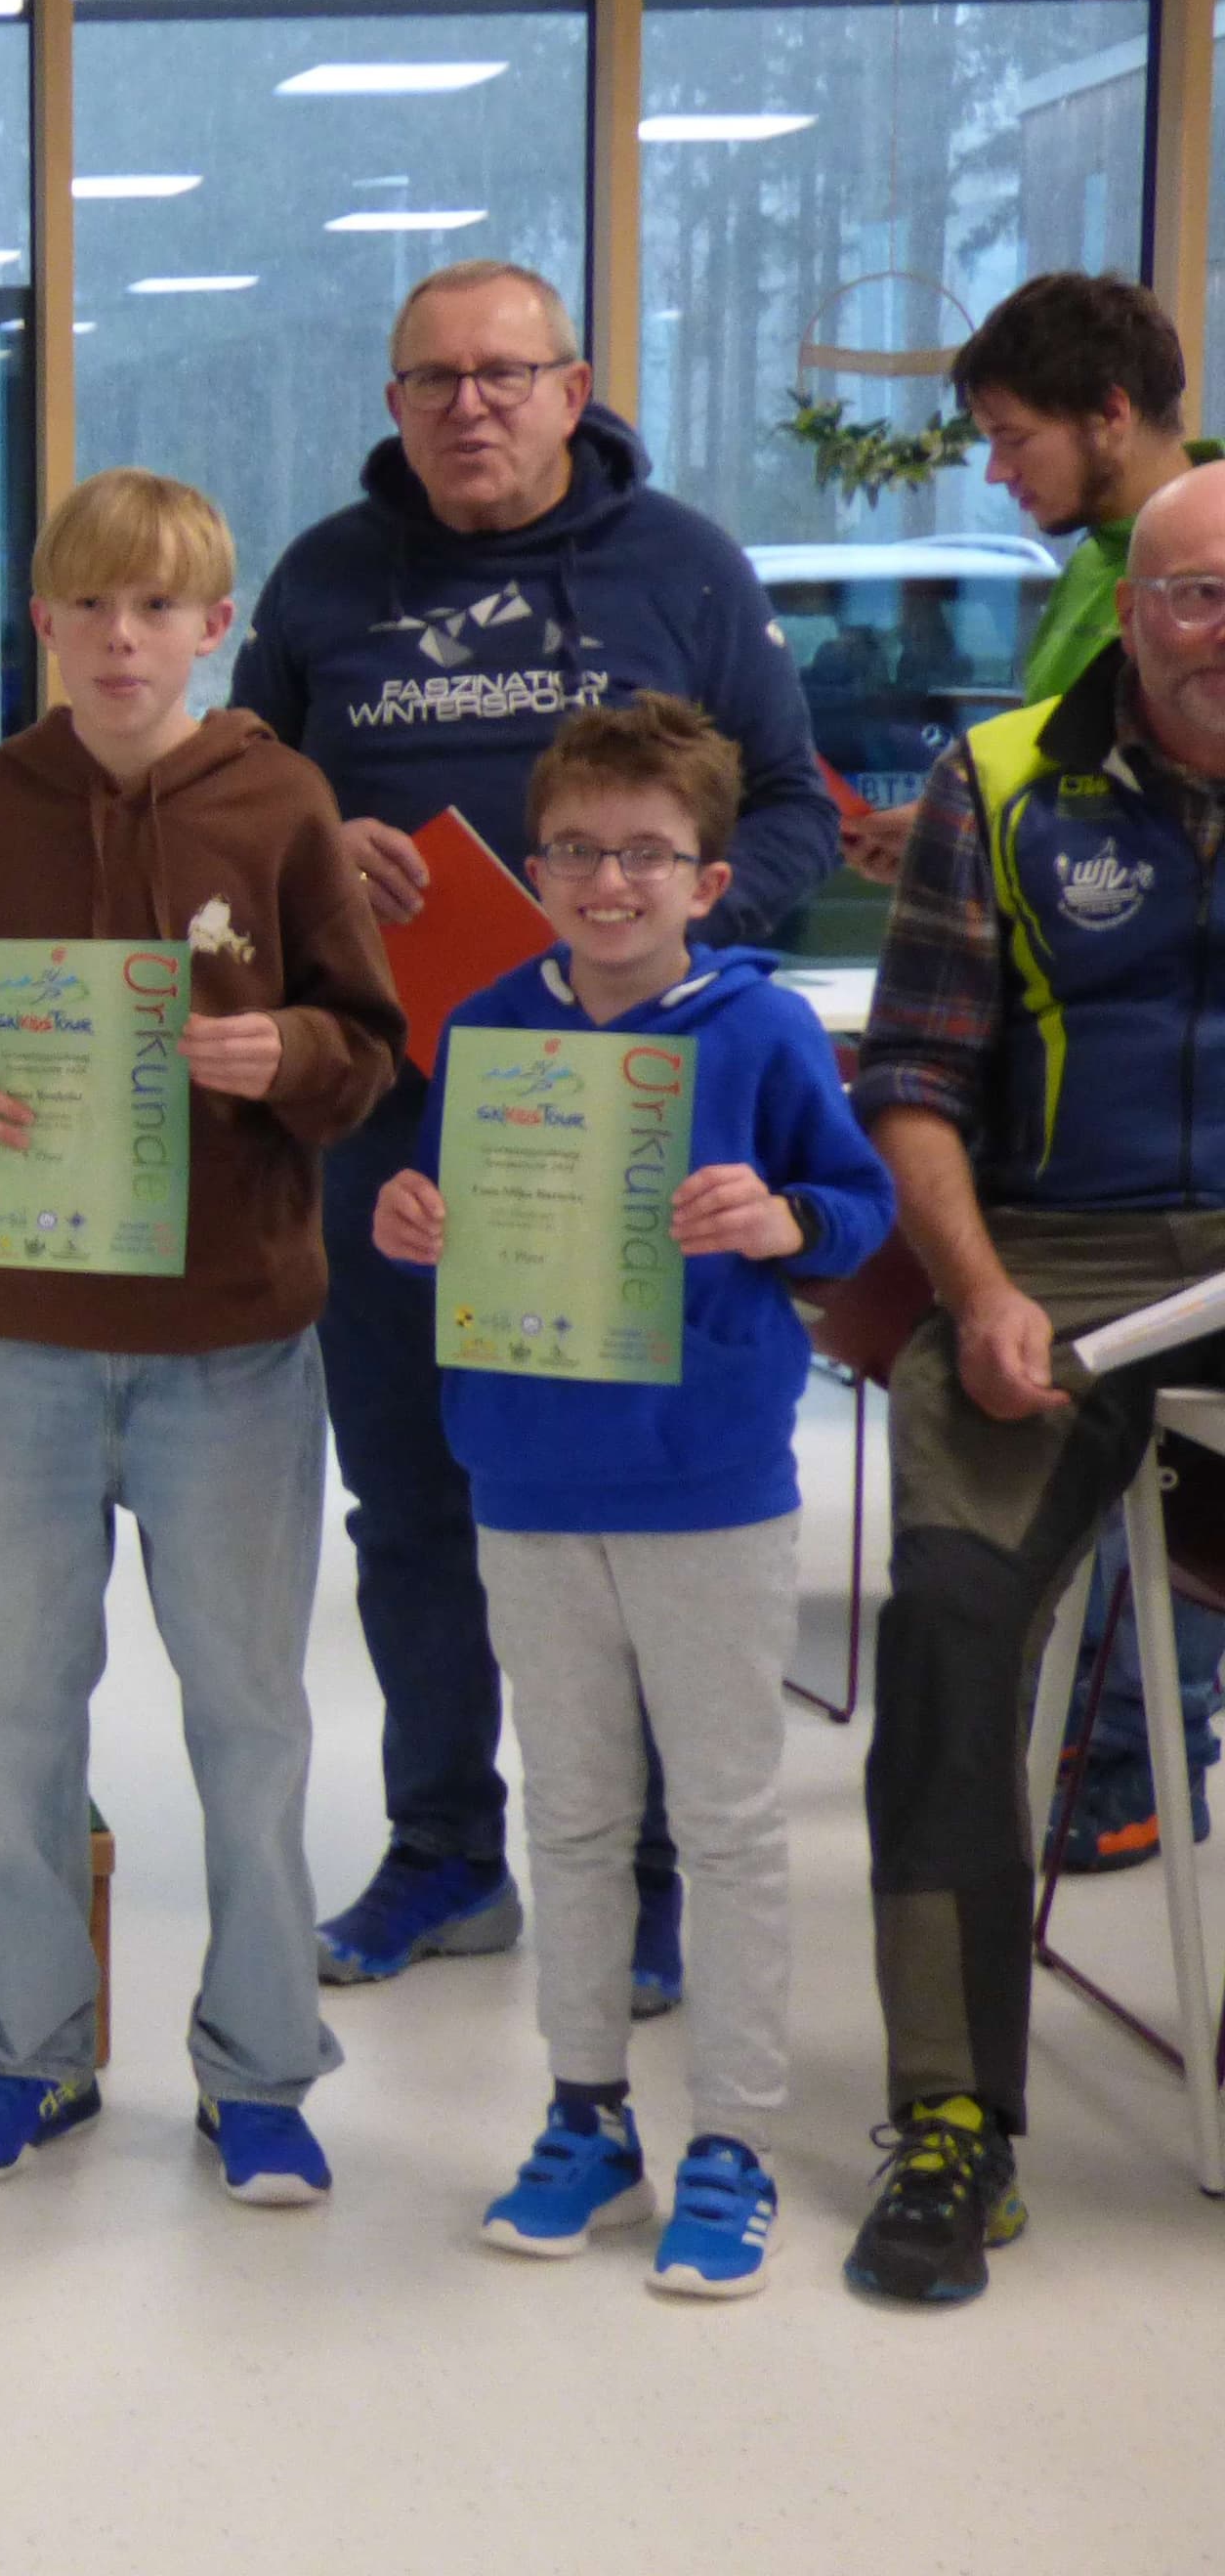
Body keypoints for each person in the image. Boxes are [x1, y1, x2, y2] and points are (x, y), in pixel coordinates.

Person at [230, 259, 840, 1999]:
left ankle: (637, 1874)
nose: (468, 406)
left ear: (576, 390)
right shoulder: (327, 579)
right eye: (432, 379)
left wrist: (658, 936)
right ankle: (443, 1851)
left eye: (504, 374)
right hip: (398, 1117)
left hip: (628, 1106)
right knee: (409, 1495)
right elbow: (238, 807)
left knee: (613, 1511)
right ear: (394, 403)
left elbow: (790, 810)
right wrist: (311, 845)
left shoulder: (685, 568)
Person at [0, 469, 401, 2207]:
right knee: (17, 1715)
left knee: (249, 1718)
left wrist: (287, 1053)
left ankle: (261, 2073)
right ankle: (32, 2050)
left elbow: (367, 1045)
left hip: (230, 1348)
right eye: (87, 605)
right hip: (15, 1343)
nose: (119, 638)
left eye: (157, 607)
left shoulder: (282, 804)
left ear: (215, 628)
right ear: (41, 623)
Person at [373, 699, 895, 2299]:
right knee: (575, 1814)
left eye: (647, 855)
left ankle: (731, 2137)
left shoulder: (761, 1032)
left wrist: (780, 1217)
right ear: (534, 869)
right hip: (527, 1476)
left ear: (709, 880)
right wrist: (415, 1224)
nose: (610, 882)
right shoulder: (482, 1029)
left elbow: (859, 1207)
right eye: (578, 852)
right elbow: (465, 1222)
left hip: (706, 1485)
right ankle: (587, 2114)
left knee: (726, 1823)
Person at [844, 458, 1225, 2303]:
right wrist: (976, 1288)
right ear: (1132, 614)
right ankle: (949, 2117)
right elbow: (914, 1077)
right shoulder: (995, 783)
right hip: (1052, 1261)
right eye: (1194, 596)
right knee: (944, 1625)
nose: (1222, 631)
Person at [932, 274, 1225, 1865]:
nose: (999, 472)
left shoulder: (1161, 558)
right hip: (1082, 1160)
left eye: (1012, 436)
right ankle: (1116, 1748)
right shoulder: (1095, 578)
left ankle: (1129, 1757)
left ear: (1111, 415)